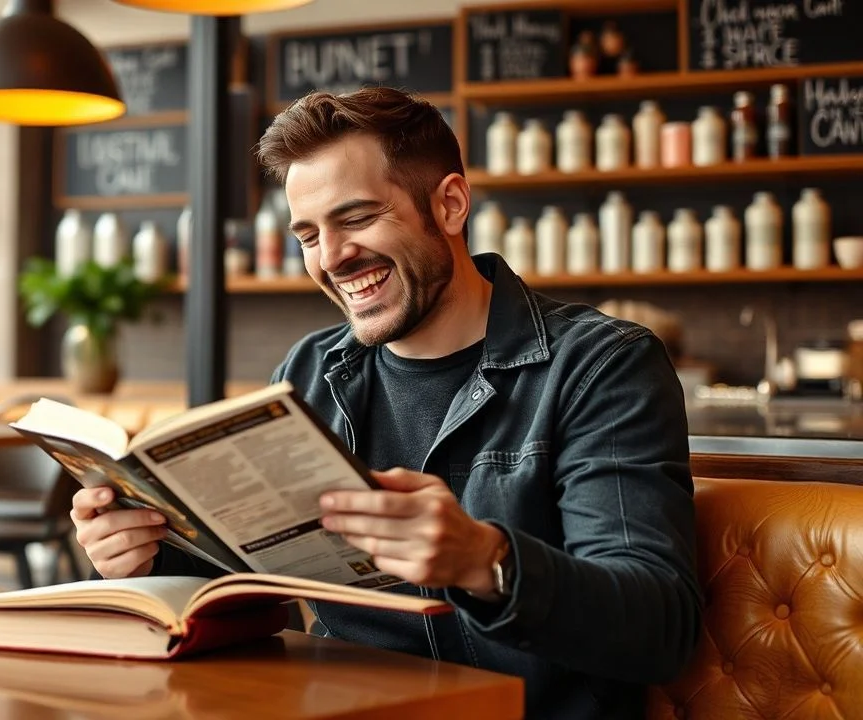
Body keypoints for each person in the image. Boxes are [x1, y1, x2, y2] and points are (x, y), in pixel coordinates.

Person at [69, 86, 702, 719]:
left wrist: (488, 561)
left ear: (449, 204)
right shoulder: (310, 372)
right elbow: (241, 586)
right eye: (309, 235)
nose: (333, 259)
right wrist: (138, 556)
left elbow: (657, 627)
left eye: (357, 218)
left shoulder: (600, 365)